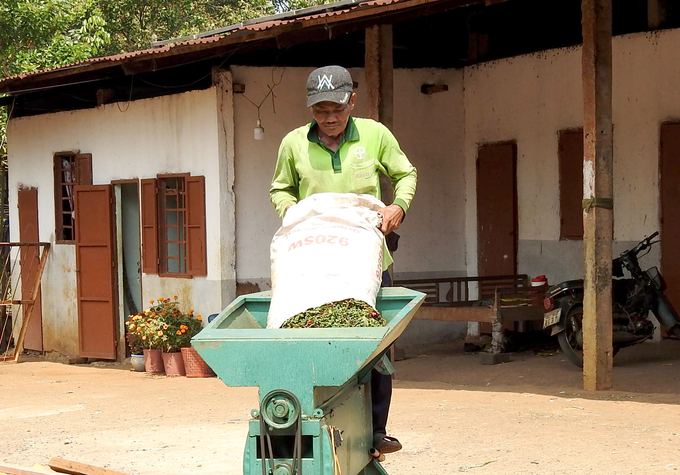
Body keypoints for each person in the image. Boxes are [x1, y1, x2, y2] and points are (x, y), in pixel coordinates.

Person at [269, 65, 417, 454]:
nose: (329, 118)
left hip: (365, 260)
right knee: (308, 335)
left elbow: (406, 174)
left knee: (375, 343)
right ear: (309, 109)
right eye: (320, 111)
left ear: (352, 101)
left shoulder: (375, 135)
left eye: (336, 108)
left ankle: (377, 429)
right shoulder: (293, 144)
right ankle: (306, 419)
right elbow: (280, 189)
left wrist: (398, 207)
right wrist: (291, 213)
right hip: (311, 259)